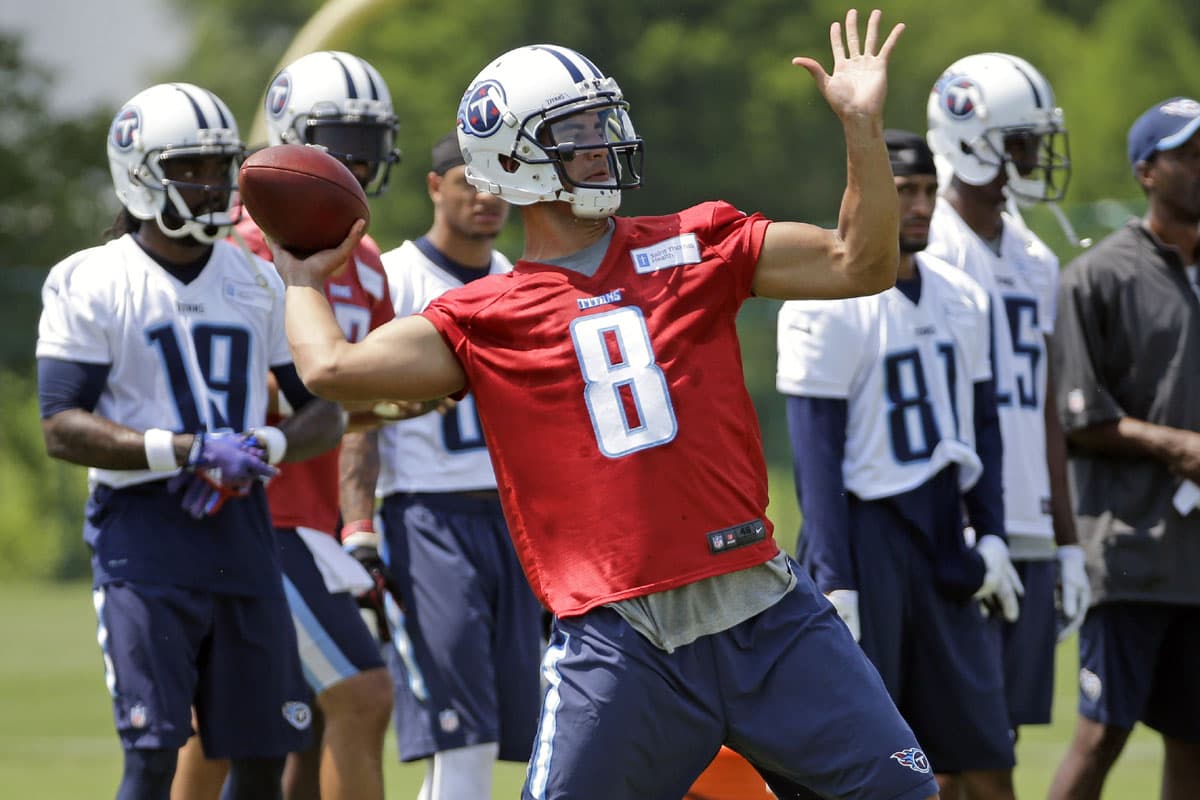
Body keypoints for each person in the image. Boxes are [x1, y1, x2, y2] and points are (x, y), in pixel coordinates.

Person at [273, 11, 941, 800]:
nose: (603, 142)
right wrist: (303, 278)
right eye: (577, 130)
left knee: (902, 794)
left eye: (601, 122)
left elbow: (859, 263)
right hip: (621, 637)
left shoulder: (700, 242)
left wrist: (861, 129)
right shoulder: (486, 314)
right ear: (514, 157)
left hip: (762, 603)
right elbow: (332, 369)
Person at [36, 82, 345, 800]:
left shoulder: (258, 279)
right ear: (139, 171)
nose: (211, 186)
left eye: (219, 167)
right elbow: (60, 426)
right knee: (154, 749)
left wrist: (264, 444)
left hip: (241, 533)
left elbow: (322, 410)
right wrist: (186, 450)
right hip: (143, 538)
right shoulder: (92, 278)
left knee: (266, 751)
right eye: (190, 169)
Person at [170, 51, 399, 800]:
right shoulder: (231, 248)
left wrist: (358, 526)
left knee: (273, 724)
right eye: (341, 142)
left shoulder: (366, 263)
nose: (359, 163)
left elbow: (359, 413)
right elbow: (226, 390)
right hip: (247, 514)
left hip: (314, 523)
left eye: (370, 144)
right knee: (359, 696)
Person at [778, 129, 1020, 799]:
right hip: (864, 532)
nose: (916, 206)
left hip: (943, 530)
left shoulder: (963, 295)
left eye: (926, 192)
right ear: (862, 195)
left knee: (984, 747)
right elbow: (816, 450)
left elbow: (986, 425)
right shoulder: (822, 300)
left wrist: (992, 531)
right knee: (860, 754)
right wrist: (836, 578)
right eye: (901, 190)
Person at [371, 131, 544, 799]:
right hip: (425, 514)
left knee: (512, 734)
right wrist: (357, 525)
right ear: (435, 186)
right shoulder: (395, 278)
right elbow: (352, 409)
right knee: (460, 735)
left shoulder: (520, 280)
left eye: (498, 183)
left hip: (515, 517)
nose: (484, 196)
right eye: (468, 180)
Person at [924, 52, 1090, 739]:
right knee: (945, 744)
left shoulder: (1036, 258)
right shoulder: (932, 247)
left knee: (1003, 739)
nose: (1033, 158)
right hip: (961, 521)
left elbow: (1045, 402)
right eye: (1021, 143)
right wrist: (961, 520)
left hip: (1029, 515)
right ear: (969, 138)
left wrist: (1068, 541)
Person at [1046, 96, 1200, 800]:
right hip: (1130, 549)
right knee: (1102, 731)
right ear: (1146, 171)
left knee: (1195, 741)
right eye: (1190, 156)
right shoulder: (1096, 276)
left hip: (1196, 559)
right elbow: (1075, 413)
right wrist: (1178, 446)